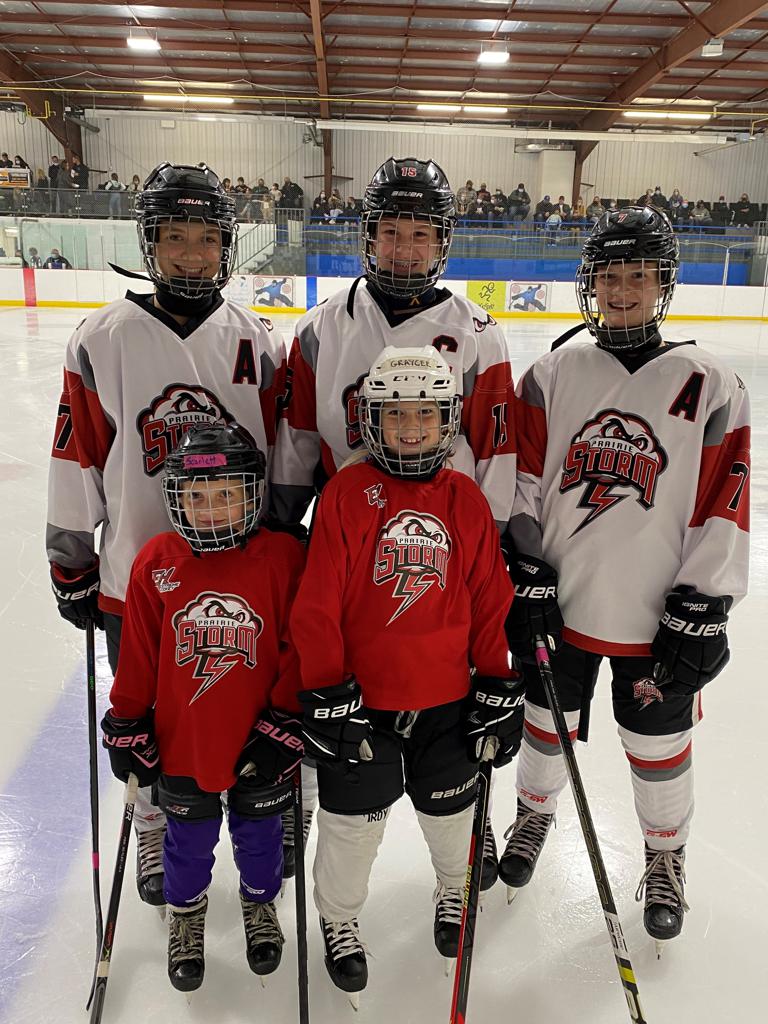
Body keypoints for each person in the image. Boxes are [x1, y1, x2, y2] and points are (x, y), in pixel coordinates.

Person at [501, 206, 749, 955]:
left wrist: (704, 603)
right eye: (609, 276)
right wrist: (525, 569)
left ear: (663, 282)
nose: (622, 290)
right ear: (590, 283)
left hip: (655, 612)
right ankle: (533, 815)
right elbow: (523, 479)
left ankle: (665, 855)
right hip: (565, 600)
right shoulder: (551, 374)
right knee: (543, 723)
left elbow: (725, 499)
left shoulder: (711, 383)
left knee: (657, 739)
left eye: (638, 275)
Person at [46, 162, 290, 913]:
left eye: (206, 239)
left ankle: (265, 816)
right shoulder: (102, 337)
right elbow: (77, 454)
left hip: (238, 578)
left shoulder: (256, 340)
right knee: (147, 721)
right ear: (149, 242)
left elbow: (282, 456)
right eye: (174, 237)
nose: (191, 254)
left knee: (243, 708)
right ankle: (152, 821)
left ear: (227, 246)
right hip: (137, 578)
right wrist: (71, 558)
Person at [270, 155, 518, 890]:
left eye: (420, 233)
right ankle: (303, 801)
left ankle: (472, 813)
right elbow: (298, 438)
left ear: (441, 241)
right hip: (349, 540)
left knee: (459, 693)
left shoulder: (479, 332)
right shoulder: (322, 329)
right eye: (390, 231)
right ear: (367, 236)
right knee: (326, 681)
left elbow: (496, 451)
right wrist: (282, 531)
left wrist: (494, 545)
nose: (404, 247)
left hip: (444, 546)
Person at [291, 345, 524, 1000]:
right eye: (396, 415)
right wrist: (326, 690)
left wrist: (497, 681)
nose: (412, 427)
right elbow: (317, 606)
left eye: (426, 414)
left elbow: (489, 600)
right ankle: (339, 919)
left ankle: (456, 890)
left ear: (448, 420)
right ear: (371, 420)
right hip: (361, 705)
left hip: (446, 700)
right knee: (350, 829)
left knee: (453, 818)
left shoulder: (465, 499)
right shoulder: (345, 494)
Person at [101, 421, 304, 991]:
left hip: (258, 738)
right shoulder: (158, 561)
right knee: (186, 841)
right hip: (183, 740)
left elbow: (298, 646)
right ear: (176, 497)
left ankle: (259, 904)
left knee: (261, 837)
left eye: (226, 495)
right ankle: (186, 916)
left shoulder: (281, 558)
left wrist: (285, 719)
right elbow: (138, 656)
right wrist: (127, 719)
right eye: (196, 496)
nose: (210, 509)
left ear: (252, 495)